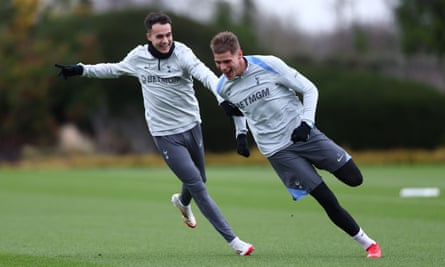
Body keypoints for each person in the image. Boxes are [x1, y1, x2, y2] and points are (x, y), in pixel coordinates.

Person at [54, 13, 254, 256]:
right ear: (149, 36)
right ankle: (235, 242)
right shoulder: (139, 57)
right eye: (160, 36)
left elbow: (207, 77)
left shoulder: (183, 54)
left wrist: (222, 100)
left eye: (169, 34)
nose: (166, 40)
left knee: (200, 178)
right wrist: (81, 69)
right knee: (199, 187)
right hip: (165, 134)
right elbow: (114, 69)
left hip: (192, 126)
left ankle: (182, 202)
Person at [209, 31, 381, 258]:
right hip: (277, 150)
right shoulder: (222, 87)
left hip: (304, 134)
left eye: (227, 61)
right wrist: (241, 134)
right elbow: (237, 111)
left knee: (354, 179)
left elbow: (310, 89)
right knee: (326, 199)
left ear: (239, 54)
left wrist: (306, 124)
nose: (222, 67)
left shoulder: (269, 64)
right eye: (218, 62)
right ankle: (369, 244)